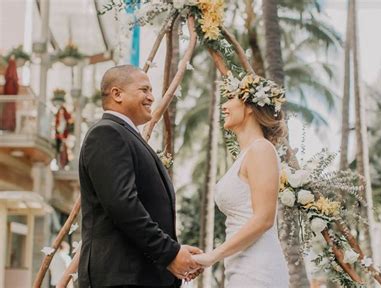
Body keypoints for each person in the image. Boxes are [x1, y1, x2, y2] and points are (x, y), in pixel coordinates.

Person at [78, 65, 202, 288]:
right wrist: (170, 253)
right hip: (122, 277)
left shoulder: (125, 135)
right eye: (144, 90)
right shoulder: (107, 133)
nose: (151, 97)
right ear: (117, 94)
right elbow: (123, 205)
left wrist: (175, 253)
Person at [192, 74, 290, 287]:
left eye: (231, 99)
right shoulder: (245, 154)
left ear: (249, 107)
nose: (224, 106)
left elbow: (264, 218)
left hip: (258, 267)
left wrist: (212, 256)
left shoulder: (261, 149)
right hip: (239, 266)